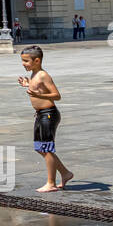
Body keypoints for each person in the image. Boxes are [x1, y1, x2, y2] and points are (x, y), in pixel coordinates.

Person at [18, 46, 72, 193]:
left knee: (47, 149)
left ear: (37, 60)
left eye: (26, 61)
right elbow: (37, 89)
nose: (23, 64)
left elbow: (56, 95)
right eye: (22, 61)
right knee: (39, 148)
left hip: (49, 114)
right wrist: (28, 85)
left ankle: (51, 183)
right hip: (41, 115)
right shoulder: (35, 74)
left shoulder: (43, 75)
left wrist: (40, 96)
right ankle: (65, 173)